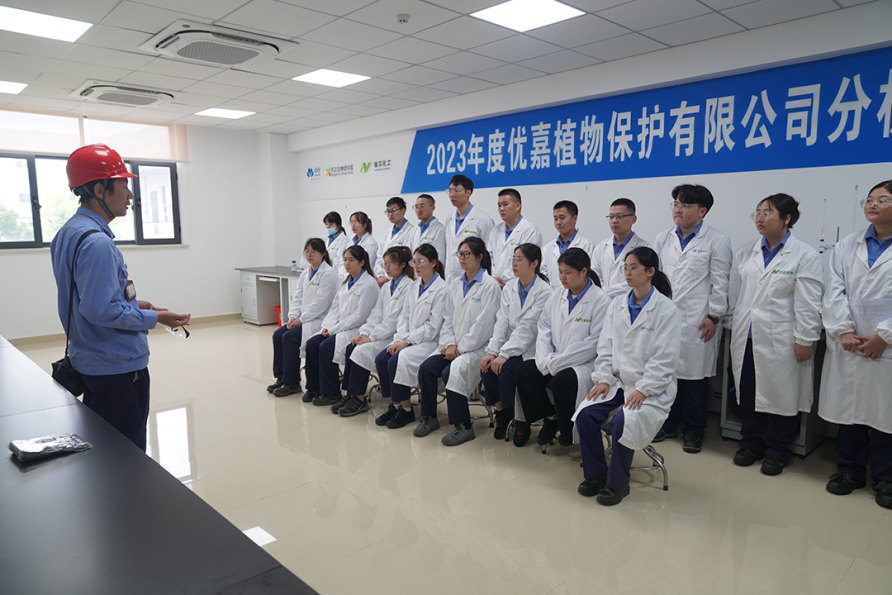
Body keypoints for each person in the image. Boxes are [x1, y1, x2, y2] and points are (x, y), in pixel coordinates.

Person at [50, 143, 191, 451]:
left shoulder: (68, 232)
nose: (130, 196)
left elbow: (86, 297)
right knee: (126, 452)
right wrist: (157, 317)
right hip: (115, 366)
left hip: (89, 358)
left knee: (104, 447)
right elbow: (101, 311)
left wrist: (133, 304)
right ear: (99, 190)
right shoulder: (98, 243)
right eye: (124, 185)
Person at [574, 247, 680, 506]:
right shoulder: (618, 305)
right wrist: (603, 379)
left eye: (634, 267)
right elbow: (606, 346)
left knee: (623, 420)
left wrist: (644, 388)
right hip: (618, 382)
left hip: (652, 387)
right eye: (625, 267)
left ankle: (618, 483)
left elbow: (665, 359)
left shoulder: (666, 310)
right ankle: (596, 474)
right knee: (585, 415)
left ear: (650, 271)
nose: (627, 273)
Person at [727, 194, 823, 476]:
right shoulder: (746, 252)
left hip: (783, 338)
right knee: (748, 393)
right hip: (746, 337)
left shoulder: (804, 254)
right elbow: (735, 294)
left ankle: (778, 450)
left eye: (767, 212)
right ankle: (750, 444)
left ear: (786, 218)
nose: (760, 217)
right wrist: (732, 323)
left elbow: (809, 302)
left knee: (782, 395)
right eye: (757, 212)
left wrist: (805, 338)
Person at [820, 179, 892, 509]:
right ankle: (849, 471)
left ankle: (886, 478)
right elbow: (833, 291)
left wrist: (884, 336)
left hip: (886, 345)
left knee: (885, 412)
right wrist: (843, 331)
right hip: (849, 342)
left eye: (883, 200)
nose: (873, 205)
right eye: (870, 199)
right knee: (850, 410)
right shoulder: (847, 245)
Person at [651, 184, 732, 453]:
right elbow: (656, 279)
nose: (678, 209)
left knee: (695, 378)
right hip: (665, 318)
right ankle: (668, 423)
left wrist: (714, 315)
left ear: (702, 211)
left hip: (699, 319)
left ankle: (695, 430)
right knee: (667, 373)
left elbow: (721, 282)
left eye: (685, 205)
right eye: (676, 204)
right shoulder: (663, 238)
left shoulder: (717, 240)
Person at [515, 248, 611, 448]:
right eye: (560, 272)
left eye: (568, 272)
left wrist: (558, 362)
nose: (562, 277)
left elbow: (594, 343)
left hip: (584, 363)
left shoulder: (600, 300)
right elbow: (544, 327)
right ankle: (550, 417)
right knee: (523, 372)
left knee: (561, 381)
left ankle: (568, 431)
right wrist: (544, 358)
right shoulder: (557, 295)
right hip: (553, 357)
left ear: (583, 272)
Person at [416, 236, 501, 446]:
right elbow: (447, 319)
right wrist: (450, 344)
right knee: (426, 368)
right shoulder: (455, 284)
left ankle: (464, 426)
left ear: (479, 257)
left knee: (451, 372)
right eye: (460, 254)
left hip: (477, 349)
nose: (462, 258)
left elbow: (484, 326)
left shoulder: (490, 286)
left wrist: (460, 348)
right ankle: (429, 417)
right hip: (452, 347)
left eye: (466, 254)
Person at [480, 243, 553, 439]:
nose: (514, 263)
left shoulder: (545, 292)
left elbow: (528, 328)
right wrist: (492, 351)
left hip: (533, 348)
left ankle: (521, 419)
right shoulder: (510, 287)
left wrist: (504, 354)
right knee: (486, 367)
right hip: (511, 344)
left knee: (506, 369)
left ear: (534, 263)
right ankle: (503, 412)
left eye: (519, 259)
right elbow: (501, 321)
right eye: (513, 259)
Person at [374, 244, 449, 430]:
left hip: (429, 342)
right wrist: (399, 340)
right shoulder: (415, 286)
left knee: (395, 361)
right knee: (382, 358)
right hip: (408, 338)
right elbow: (404, 316)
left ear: (433, 262)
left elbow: (433, 327)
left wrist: (407, 342)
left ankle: (406, 411)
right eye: (414, 262)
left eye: (420, 261)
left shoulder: (442, 289)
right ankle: (395, 405)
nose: (416, 265)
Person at [340, 247, 415, 417]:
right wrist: (365, 333)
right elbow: (376, 314)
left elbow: (394, 321)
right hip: (381, 334)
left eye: (391, 264)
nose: (387, 268)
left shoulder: (409, 286)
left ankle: (359, 399)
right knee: (352, 346)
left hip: (393, 336)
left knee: (361, 351)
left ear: (403, 265)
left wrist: (371, 337)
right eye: (385, 264)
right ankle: (350, 395)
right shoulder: (386, 287)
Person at [304, 245, 379, 408]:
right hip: (338, 326)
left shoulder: (369, 284)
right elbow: (335, 308)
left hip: (356, 329)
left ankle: (331, 392)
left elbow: (360, 316)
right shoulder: (345, 281)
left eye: (351, 260)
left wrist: (334, 329)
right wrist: (327, 326)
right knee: (312, 344)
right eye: (345, 260)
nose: (346, 263)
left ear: (362, 262)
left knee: (326, 347)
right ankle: (314, 387)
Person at [270, 238, 339, 397]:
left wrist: (300, 320)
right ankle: (281, 377)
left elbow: (320, 304)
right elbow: (298, 299)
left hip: (320, 320)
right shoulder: (305, 274)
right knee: (277, 335)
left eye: (313, 251)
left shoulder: (329, 274)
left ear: (323, 253)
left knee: (289, 338)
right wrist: (292, 316)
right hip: (302, 318)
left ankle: (291, 382)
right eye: (307, 251)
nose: (309, 255)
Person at [591, 198, 650, 300]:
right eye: (611, 217)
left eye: (620, 216)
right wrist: (602, 293)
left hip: (630, 302)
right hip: (602, 303)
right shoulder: (600, 247)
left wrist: (604, 292)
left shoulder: (644, 248)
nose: (614, 221)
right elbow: (594, 276)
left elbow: (637, 281)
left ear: (633, 219)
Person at [489, 188, 543, 288]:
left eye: (505, 204)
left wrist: (504, 281)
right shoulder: (495, 231)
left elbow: (527, 261)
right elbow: (489, 257)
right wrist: (494, 277)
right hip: (495, 285)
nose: (501, 209)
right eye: (499, 205)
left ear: (518, 206)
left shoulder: (530, 230)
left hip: (519, 286)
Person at [444, 174, 495, 281]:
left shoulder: (483, 220)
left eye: (457, 190)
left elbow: (490, 253)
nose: (452, 194)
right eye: (450, 191)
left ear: (468, 192)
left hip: (475, 278)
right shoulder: (449, 220)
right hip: (450, 278)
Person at [542, 200, 595, 290]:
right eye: (555, 219)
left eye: (562, 218)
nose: (558, 222)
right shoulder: (548, 248)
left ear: (574, 219)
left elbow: (589, 275)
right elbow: (543, 275)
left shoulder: (586, 246)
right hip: (553, 295)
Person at [374, 197, 415, 287]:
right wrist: (380, 276)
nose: (390, 214)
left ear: (403, 210)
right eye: (388, 211)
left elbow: (408, 258)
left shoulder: (412, 232)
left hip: (402, 280)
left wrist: (387, 277)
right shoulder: (387, 234)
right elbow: (380, 257)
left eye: (393, 210)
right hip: (383, 281)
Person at [409, 193, 447, 262]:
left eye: (422, 206)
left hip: (431, 268)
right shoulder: (413, 230)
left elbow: (440, 257)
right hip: (416, 267)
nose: (418, 210)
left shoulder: (440, 229)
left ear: (432, 208)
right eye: (416, 207)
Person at [323, 212, 350, 282]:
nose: (328, 227)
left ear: (338, 225)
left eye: (331, 224)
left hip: (336, 274)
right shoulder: (326, 239)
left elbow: (340, 260)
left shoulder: (344, 240)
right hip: (325, 273)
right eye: (326, 224)